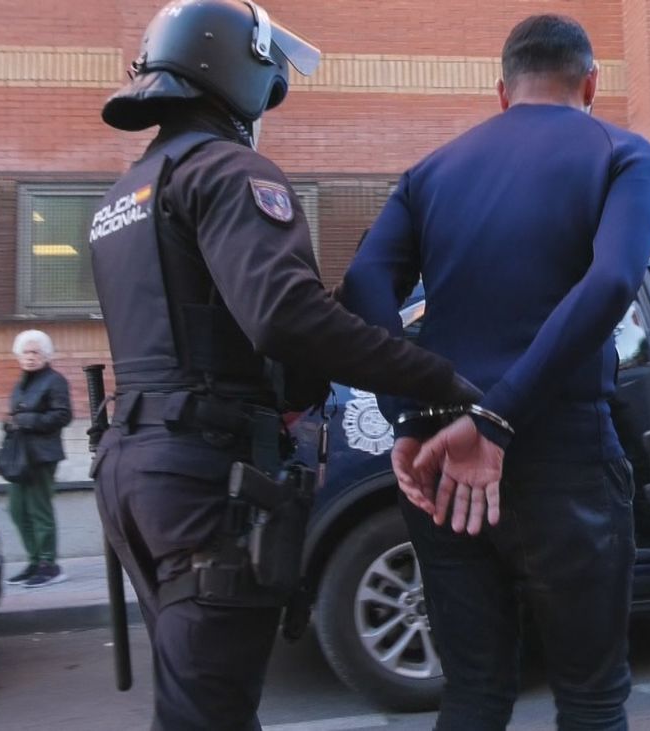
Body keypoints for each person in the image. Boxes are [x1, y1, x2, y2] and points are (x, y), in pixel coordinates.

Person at [87, 2, 481, 728]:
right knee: (208, 714)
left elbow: (209, 325)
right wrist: (436, 378)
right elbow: (282, 316)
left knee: (204, 702)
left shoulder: (129, 191)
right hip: (205, 475)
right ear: (237, 70)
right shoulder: (228, 170)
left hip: (136, 466)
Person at [342, 14, 650, 730]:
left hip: (441, 456)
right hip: (561, 453)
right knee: (589, 698)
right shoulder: (625, 154)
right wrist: (496, 419)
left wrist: (409, 412)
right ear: (591, 82)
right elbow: (613, 279)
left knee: (473, 689)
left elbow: (364, 281)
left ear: (502, 90)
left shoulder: (431, 171)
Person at [2, 329, 72, 588]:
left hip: (42, 456)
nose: (30, 357)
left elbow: (63, 415)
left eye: (35, 352)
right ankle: (34, 561)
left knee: (39, 511)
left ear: (46, 355)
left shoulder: (55, 381)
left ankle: (49, 564)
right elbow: (15, 416)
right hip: (19, 456)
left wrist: (27, 420)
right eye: (26, 352)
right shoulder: (22, 382)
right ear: (18, 356)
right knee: (17, 510)